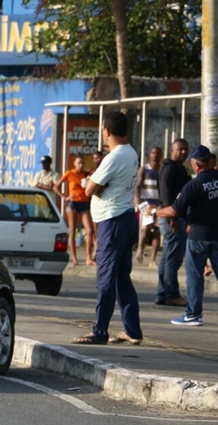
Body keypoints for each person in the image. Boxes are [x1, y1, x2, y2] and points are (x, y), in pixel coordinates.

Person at [153, 145, 218, 329]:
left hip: (199, 236)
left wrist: (155, 212)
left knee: (195, 275)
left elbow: (174, 209)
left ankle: (193, 314)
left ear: (196, 165)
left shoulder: (193, 185)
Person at [72, 111, 142, 345]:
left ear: (107, 131)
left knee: (106, 277)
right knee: (122, 278)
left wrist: (94, 184)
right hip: (126, 218)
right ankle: (132, 330)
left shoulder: (113, 157)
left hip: (112, 222)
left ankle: (100, 329)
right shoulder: (131, 153)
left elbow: (90, 189)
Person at [156, 138, 190, 306]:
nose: (183, 152)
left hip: (171, 217)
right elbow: (167, 195)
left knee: (167, 256)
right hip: (172, 218)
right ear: (172, 150)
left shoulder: (176, 169)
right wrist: (173, 218)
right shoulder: (169, 170)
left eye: (185, 149)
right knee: (173, 257)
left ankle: (162, 293)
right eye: (180, 149)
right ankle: (172, 294)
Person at [53, 154, 95, 266]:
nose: (81, 165)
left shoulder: (86, 174)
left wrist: (90, 177)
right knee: (72, 230)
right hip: (73, 203)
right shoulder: (70, 173)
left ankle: (88, 257)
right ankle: (74, 258)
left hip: (84, 202)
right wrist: (65, 196)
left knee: (90, 230)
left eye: (82, 163)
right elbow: (55, 187)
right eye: (79, 163)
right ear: (74, 163)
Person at [134, 146, 163, 267]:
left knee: (157, 230)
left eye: (157, 153)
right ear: (150, 155)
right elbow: (137, 186)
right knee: (145, 229)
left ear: (161, 155)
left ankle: (152, 260)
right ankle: (140, 248)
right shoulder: (144, 169)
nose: (155, 155)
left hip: (159, 203)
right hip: (146, 202)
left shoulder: (162, 170)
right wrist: (138, 203)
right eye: (153, 152)